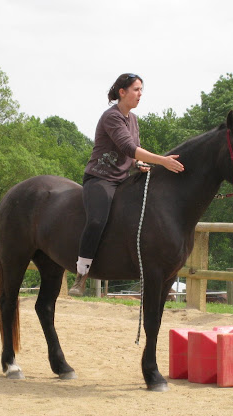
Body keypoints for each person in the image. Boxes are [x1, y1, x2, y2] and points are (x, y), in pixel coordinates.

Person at [69, 73, 185, 296]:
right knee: (96, 221)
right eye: (136, 90)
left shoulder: (133, 119)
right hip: (100, 179)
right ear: (122, 92)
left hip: (123, 179)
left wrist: (138, 164)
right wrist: (162, 161)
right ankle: (81, 275)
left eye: (141, 90)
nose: (140, 94)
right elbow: (128, 147)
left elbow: (132, 154)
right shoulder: (111, 117)